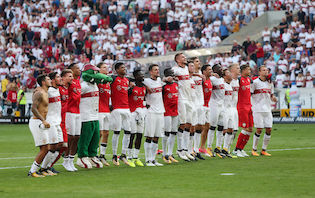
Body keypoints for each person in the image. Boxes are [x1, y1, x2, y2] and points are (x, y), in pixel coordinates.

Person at [77, 64, 112, 169]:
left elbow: (106, 79)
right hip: (85, 116)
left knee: (96, 136)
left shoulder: (95, 85)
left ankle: (92, 155)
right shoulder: (83, 86)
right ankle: (82, 156)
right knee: (85, 137)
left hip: (95, 114)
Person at [28, 74, 52, 177]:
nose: (50, 80)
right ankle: (32, 171)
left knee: (47, 147)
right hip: (37, 122)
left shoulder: (46, 92)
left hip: (41, 122)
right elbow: (33, 108)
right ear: (43, 82)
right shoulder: (39, 93)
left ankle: (40, 169)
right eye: (48, 79)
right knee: (45, 148)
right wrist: (43, 121)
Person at [40, 72, 63, 175]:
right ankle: (43, 168)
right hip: (50, 122)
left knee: (60, 144)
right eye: (58, 77)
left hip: (57, 121)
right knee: (53, 145)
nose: (60, 78)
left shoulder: (57, 90)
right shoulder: (48, 91)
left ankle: (48, 167)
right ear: (53, 80)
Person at [251, 66, 277, 156]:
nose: (266, 72)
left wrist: (273, 98)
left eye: (267, 70)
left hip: (267, 109)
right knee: (259, 129)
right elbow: (249, 94)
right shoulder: (255, 83)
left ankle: (264, 150)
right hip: (257, 109)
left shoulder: (270, 83)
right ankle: (254, 149)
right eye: (264, 70)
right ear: (259, 72)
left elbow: (271, 95)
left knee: (269, 129)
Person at [172, 53, 193, 161]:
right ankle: (180, 150)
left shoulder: (186, 69)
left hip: (189, 99)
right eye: (183, 57)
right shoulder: (175, 69)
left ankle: (185, 149)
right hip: (181, 99)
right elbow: (167, 77)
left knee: (189, 124)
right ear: (177, 60)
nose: (185, 58)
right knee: (183, 124)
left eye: (185, 56)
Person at [110, 62, 132, 166]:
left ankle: (123, 154)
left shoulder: (127, 80)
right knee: (117, 132)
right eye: (122, 68)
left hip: (126, 108)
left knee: (128, 131)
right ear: (117, 70)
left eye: (124, 67)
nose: (124, 69)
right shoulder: (113, 79)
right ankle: (114, 155)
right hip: (116, 109)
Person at [143, 64, 165, 166]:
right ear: (150, 72)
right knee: (149, 136)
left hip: (160, 111)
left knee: (157, 136)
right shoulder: (146, 81)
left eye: (158, 70)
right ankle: (148, 160)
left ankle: (153, 159)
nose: (157, 71)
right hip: (151, 111)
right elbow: (135, 81)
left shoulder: (160, 80)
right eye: (155, 70)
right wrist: (145, 86)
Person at [54, 69, 73, 171]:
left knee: (66, 145)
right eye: (69, 76)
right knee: (60, 145)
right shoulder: (59, 89)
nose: (72, 78)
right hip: (59, 120)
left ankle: (49, 166)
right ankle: (47, 166)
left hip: (68, 119)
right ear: (63, 77)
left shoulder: (71, 88)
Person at [127, 69, 146, 167]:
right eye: (140, 75)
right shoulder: (131, 89)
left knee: (139, 135)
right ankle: (129, 158)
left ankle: (136, 157)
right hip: (132, 113)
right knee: (132, 135)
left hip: (141, 114)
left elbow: (144, 100)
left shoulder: (144, 87)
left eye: (142, 74)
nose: (142, 76)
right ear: (135, 77)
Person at [233, 64, 253, 157]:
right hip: (242, 107)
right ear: (243, 70)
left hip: (249, 106)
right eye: (248, 70)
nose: (249, 71)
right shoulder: (239, 80)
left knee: (250, 129)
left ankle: (241, 148)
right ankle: (237, 149)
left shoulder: (249, 80)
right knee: (245, 128)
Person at [65, 63, 81, 171]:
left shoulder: (78, 82)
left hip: (78, 112)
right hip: (69, 111)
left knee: (77, 137)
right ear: (71, 70)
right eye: (77, 68)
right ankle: (66, 160)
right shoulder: (69, 83)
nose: (79, 70)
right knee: (70, 137)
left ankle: (71, 160)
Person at [207, 64, 226, 158]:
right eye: (219, 68)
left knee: (221, 127)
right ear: (214, 70)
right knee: (212, 127)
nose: (221, 69)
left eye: (221, 68)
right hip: (213, 104)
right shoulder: (212, 79)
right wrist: (211, 75)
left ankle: (218, 148)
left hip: (222, 105)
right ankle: (208, 147)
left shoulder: (222, 79)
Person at [162, 68, 179, 163]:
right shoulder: (163, 86)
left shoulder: (176, 84)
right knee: (167, 132)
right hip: (167, 111)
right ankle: (164, 154)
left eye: (172, 74)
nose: (172, 75)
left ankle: (170, 153)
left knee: (173, 132)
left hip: (175, 111)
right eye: (170, 74)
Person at [191, 57, 205, 160]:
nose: (199, 62)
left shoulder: (201, 73)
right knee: (192, 127)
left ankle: (196, 150)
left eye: (199, 61)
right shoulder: (189, 74)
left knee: (200, 127)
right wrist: (196, 74)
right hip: (192, 103)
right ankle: (189, 150)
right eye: (196, 61)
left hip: (201, 103)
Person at [97, 63, 111, 166]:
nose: (106, 69)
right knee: (99, 133)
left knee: (106, 133)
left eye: (107, 67)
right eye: (104, 67)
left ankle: (102, 155)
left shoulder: (108, 83)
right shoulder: (97, 81)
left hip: (107, 110)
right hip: (98, 110)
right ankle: (94, 154)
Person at [199, 64, 213, 157]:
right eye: (209, 70)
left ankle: (202, 147)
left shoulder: (211, 80)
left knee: (207, 127)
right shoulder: (201, 80)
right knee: (200, 127)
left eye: (211, 69)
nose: (211, 71)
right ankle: (195, 147)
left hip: (208, 105)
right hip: (201, 105)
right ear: (204, 71)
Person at [221, 69, 234, 158]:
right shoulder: (222, 84)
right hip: (223, 109)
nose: (230, 74)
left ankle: (225, 149)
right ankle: (219, 148)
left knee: (231, 129)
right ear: (224, 76)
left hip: (230, 109)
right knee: (224, 130)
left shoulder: (230, 85)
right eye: (228, 73)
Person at [229, 64, 240, 154]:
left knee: (235, 130)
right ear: (232, 70)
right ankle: (223, 148)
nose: (239, 69)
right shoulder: (229, 80)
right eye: (237, 68)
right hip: (228, 107)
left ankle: (227, 148)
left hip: (235, 107)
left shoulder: (237, 81)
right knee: (228, 129)